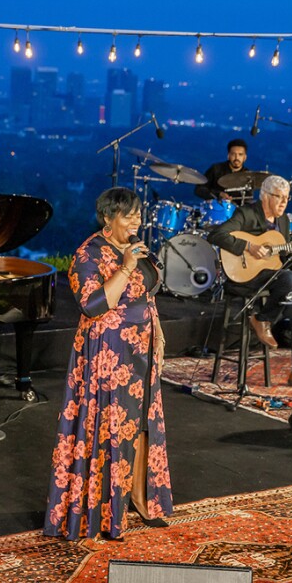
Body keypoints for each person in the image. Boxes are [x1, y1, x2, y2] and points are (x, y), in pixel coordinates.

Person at [43, 187, 173, 541]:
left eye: (138, 214)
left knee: (144, 420)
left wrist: (158, 334)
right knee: (111, 427)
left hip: (142, 350)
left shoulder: (135, 248)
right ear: (107, 217)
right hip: (108, 355)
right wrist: (127, 265)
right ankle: (102, 509)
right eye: (129, 215)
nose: (137, 220)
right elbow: (94, 305)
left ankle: (142, 500)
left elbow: (147, 294)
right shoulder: (87, 254)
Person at [207, 175, 292, 390]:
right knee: (290, 278)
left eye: (286, 198)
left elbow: (280, 259)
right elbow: (216, 235)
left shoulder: (284, 220)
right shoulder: (247, 213)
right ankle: (262, 320)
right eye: (278, 197)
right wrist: (248, 247)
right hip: (244, 279)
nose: (282, 203)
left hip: (272, 281)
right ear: (265, 197)